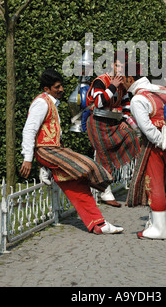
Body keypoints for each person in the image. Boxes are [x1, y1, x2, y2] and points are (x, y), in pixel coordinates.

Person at [20, 68, 124, 235]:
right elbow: (29, 130)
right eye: (57, 87)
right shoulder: (41, 103)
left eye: (61, 86)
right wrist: (28, 158)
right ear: (47, 89)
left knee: (78, 184)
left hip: (53, 152)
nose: (61, 89)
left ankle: (98, 224)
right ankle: (103, 188)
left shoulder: (49, 102)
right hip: (48, 151)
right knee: (86, 165)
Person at [122, 63, 166, 240]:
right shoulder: (164, 90)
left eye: (123, 80)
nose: (121, 84)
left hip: (156, 147)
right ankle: (154, 222)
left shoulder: (139, 99)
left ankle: (160, 228)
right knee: (161, 183)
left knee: (154, 185)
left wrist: (160, 142)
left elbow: (146, 128)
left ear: (129, 79)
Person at [85, 52, 141, 207]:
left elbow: (125, 103)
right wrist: (112, 86)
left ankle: (138, 178)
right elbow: (98, 102)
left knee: (131, 137)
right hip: (98, 123)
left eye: (123, 66)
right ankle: (106, 192)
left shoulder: (122, 83)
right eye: (117, 65)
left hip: (114, 124)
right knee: (103, 156)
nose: (120, 69)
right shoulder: (101, 81)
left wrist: (125, 120)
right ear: (112, 65)